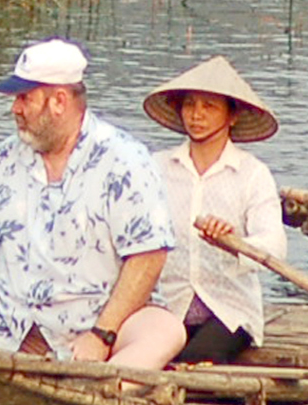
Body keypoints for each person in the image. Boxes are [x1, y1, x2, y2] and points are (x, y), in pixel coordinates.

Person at [0, 40, 171, 361]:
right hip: (10, 319)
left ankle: (102, 392)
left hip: (98, 323)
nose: (15, 108)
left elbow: (148, 256)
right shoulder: (3, 159)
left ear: (59, 101)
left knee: (163, 332)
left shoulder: (125, 159)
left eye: (24, 98)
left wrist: (102, 334)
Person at [116, 56, 288, 371]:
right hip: (166, 303)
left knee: (195, 363)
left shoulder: (252, 174)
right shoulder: (155, 168)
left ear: (232, 115)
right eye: (190, 105)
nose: (196, 116)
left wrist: (234, 242)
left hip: (228, 308)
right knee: (142, 354)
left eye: (209, 107)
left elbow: (275, 244)